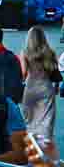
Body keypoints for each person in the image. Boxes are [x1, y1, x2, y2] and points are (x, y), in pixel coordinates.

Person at [20, 26, 60, 158]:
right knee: (46, 121)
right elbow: (54, 72)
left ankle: (30, 151)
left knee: (29, 120)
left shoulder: (25, 52)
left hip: (30, 88)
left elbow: (24, 73)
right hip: (45, 87)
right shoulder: (50, 52)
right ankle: (45, 152)